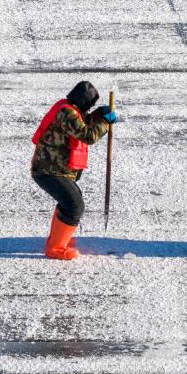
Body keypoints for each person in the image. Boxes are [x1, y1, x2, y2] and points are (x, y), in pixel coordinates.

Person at [30, 81, 116, 260]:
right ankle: (55, 248)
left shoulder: (69, 108)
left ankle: (57, 240)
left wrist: (100, 114)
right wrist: (105, 123)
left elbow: (84, 122)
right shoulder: (66, 113)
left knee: (70, 200)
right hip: (48, 171)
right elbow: (87, 135)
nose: (89, 108)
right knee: (74, 205)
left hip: (55, 169)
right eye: (90, 105)